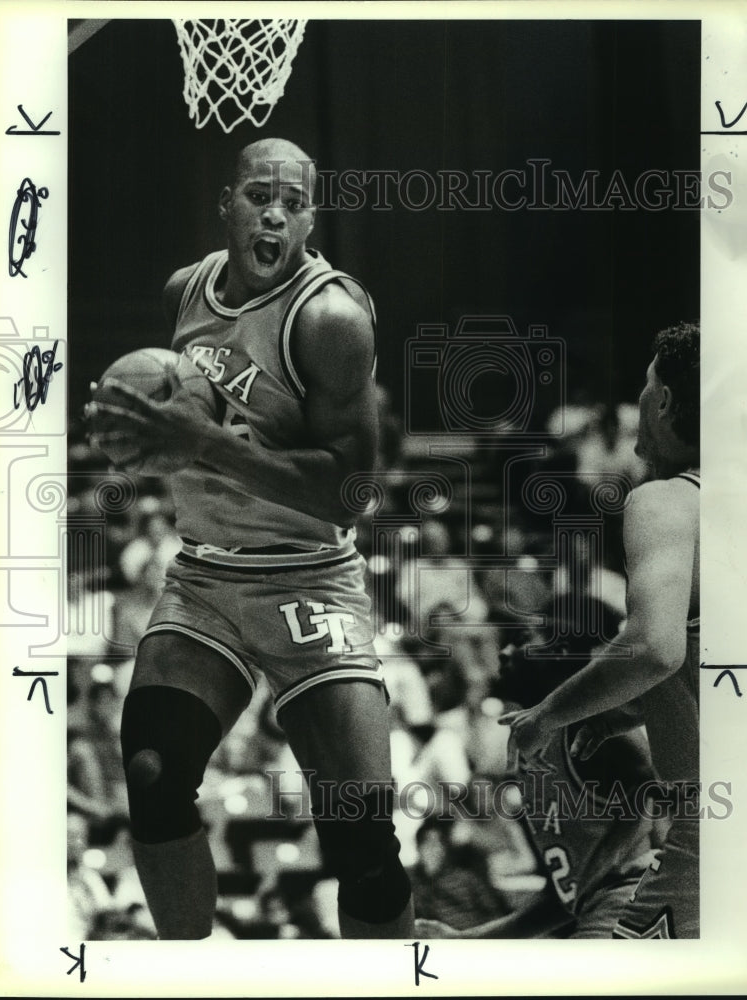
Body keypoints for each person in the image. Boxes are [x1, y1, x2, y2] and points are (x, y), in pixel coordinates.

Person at [88, 138, 413, 939]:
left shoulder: (331, 318)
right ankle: (191, 975)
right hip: (205, 579)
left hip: (310, 577)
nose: (275, 211)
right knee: (153, 770)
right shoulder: (185, 291)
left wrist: (204, 445)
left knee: (362, 841)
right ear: (226, 205)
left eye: (294, 201)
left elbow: (351, 492)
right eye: (259, 194)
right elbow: (174, 420)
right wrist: (138, 434)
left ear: (310, 220)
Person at [501, 322, 700, 938]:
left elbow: (651, 646)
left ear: (664, 401)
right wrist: (632, 706)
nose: (636, 403)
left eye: (644, 387)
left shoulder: (667, 500)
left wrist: (546, 717)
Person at [416, 604, 659, 939]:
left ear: (558, 656)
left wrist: (618, 855)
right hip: (595, 906)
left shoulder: (593, 725)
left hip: (628, 901)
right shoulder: (527, 740)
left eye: (524, 640)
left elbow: (659, 780)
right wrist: (468, 939)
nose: (505, 651)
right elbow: (563, 896)